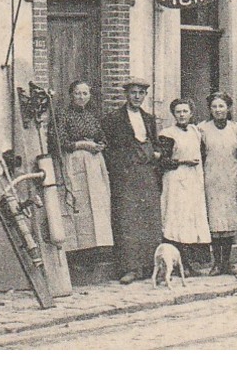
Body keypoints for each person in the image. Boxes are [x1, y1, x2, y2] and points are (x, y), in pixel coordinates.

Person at [103, 79, 162, 285]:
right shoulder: (114, 119)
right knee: (127, 220)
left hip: (146, 174)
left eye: (141, 93)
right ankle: (129, 268)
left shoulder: (149, 118)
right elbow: (107, 147)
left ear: (145, 96)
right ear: (126, 95)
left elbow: (155, 144)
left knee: (149, 220)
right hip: (125, 176)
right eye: (133, 93)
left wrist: (155, 154)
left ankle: (149, 266)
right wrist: (120, 166)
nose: (137, 96)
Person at [52, 80, 114, 260]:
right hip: (74, 162)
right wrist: (83, 144)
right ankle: (75, 251)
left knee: (96, 203)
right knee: (77, 203)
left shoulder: (92, 115)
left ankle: (93, 250)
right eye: (78, 93)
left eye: (85, 93)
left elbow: (102, 136)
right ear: (71, 95)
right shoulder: (63, 115)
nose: (81, 97)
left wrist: (100, 144)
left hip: (94, 165)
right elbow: (59, 141)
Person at [198, 92, 237, 277]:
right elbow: (200, 156)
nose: (218, 110)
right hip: (211, 180)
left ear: (228, 108)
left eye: (221, 106)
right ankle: (216, 263)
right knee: (214, 223)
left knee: (228, 224)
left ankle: (227, 262)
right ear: (210, 109)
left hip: (231, 179)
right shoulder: (202, 130)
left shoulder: (236, 130)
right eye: (214, 107)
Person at [156, 98, 211, 272]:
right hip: (175, 180)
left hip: (193, 181)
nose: (182, 115)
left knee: (192, 219)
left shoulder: (196, 132)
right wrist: (183, 161)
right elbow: (162, 161)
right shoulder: (168, 134)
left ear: (191, 113)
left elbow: (203, 155)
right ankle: (176, 264)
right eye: (178, 112)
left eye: (185, 111)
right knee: (177, 219)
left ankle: (189, 263)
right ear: (173, 114)